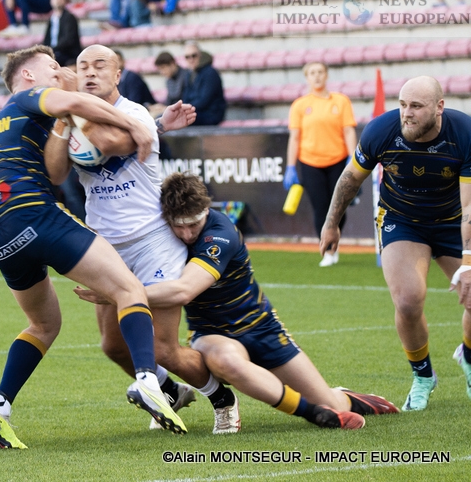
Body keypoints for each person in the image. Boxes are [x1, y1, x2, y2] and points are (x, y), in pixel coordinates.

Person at [0, 44, 186, 450]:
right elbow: (75, 103)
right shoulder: (29, 96)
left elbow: (73, 152)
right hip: (34, 213)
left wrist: (156, 123)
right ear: (29, 76)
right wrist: (141, 126)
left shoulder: (9, 118)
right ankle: (149, 382)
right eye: (52, 66)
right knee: (128, 288)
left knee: (44, 326)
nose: (62, 72)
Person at [78, 172, 400, 430]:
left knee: (332, 402)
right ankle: (309, 413)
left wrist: (122, 295)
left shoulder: (220, 233)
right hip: (211, 333)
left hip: (262, 327)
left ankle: (343, 399)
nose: (187, 234)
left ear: (206, 212)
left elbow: (183, 291)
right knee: (227, 363)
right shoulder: (161, 237)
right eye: (179, 226)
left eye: (193, 225)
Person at [46, 44, 241, 435]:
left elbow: (109, 143)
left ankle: (222, 399)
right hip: (106, 245)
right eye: (82, 67)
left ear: (118, 74)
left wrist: (73, 105)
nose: (89, 72)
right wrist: (65, 115)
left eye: (100, 65)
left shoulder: (134, 114)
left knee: (163, 348)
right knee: (113, 346)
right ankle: (170, 393)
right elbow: (54, 173)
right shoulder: (73, 118)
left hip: (153, 239)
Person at [321, 76, 471, 411]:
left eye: (416, 106)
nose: (407, 113)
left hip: (453, 220)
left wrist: (469, 262)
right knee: (407, 300)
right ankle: (423, 377)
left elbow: (470, 207)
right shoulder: (382, 130)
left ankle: (469, 358)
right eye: (402, 104)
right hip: (402, 220)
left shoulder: (464, 133)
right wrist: (331, 225)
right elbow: (350, 179)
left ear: (439, 107)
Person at [284, 61, 357, 267]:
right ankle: (328, 250)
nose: (316, 76)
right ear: (307, 77)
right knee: (320, 207)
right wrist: (290, 166)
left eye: (320, 72)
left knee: (339, 207)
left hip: (338, 160)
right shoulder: (299, 105)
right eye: (312, 73)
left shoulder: (341, 101)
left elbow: (349, 131)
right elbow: (295, 138)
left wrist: (353, 157)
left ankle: (334, 238)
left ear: (326, 75)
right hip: (310, 162)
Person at [181, 42, 225, 126]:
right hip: (196, 112)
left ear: (200, 55)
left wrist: (184, 110)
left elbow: (204, 101)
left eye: (194, 55)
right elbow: (185, 97)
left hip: (210, 115)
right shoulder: (189, 74)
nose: (191, 59)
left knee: (178, 119)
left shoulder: (210, 73)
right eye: (187, 57)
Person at [42, 0, 81, 68]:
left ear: (65, 0)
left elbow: (68, 40)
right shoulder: (51, 19)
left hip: (67, 54)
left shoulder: (69, 17)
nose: (58, 0)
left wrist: (52, 49)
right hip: (54, 53)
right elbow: (47, 39)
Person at [148, 51, 190, 118]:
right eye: (159, 69)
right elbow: (169, 101)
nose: (162, 72)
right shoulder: (169, 80)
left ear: (172, 64)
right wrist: (161, 107)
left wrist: (165, 108)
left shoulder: (186, 76)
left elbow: (186, 101)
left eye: (163, 68)